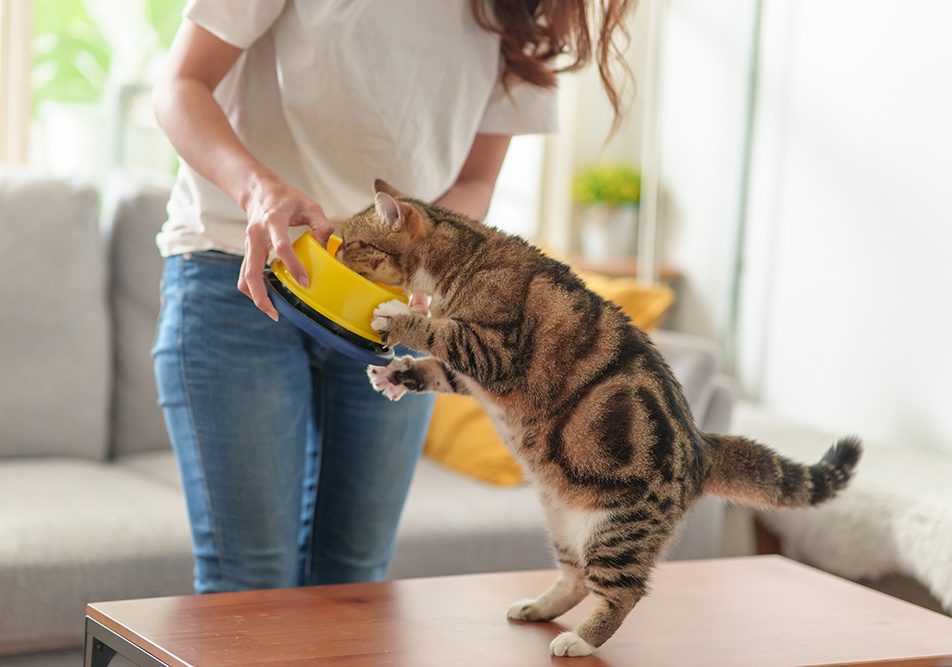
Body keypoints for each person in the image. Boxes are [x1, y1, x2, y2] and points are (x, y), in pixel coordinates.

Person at [152, 0, 633, 594]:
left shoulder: (525, 12)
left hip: (392, 312)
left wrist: (425, 262)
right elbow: (180, 84)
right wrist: (257, 188)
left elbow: (476, 180)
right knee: (249, 587)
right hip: (240, 274)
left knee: (357, 586)